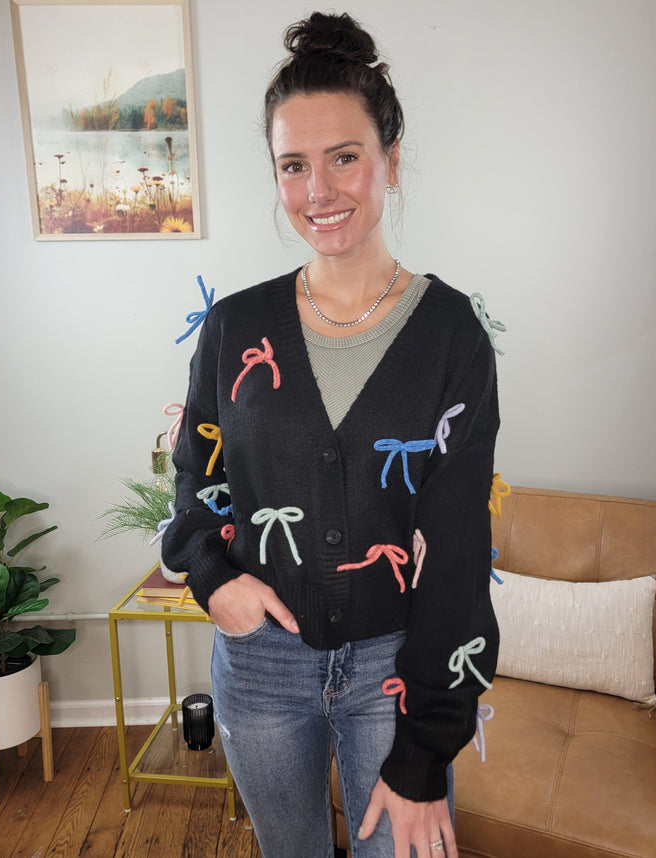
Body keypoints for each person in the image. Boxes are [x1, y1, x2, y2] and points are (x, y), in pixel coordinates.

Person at [162, 11, 500, 858]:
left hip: (398, 673)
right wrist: (212, 576)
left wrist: (426, 751)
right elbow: (197, 485)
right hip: (262, 667)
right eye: (293, 165)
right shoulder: (236, 327)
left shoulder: (452, 335)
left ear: (388, 156)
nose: (320, 191)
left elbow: (456, 550)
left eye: (344, 157)